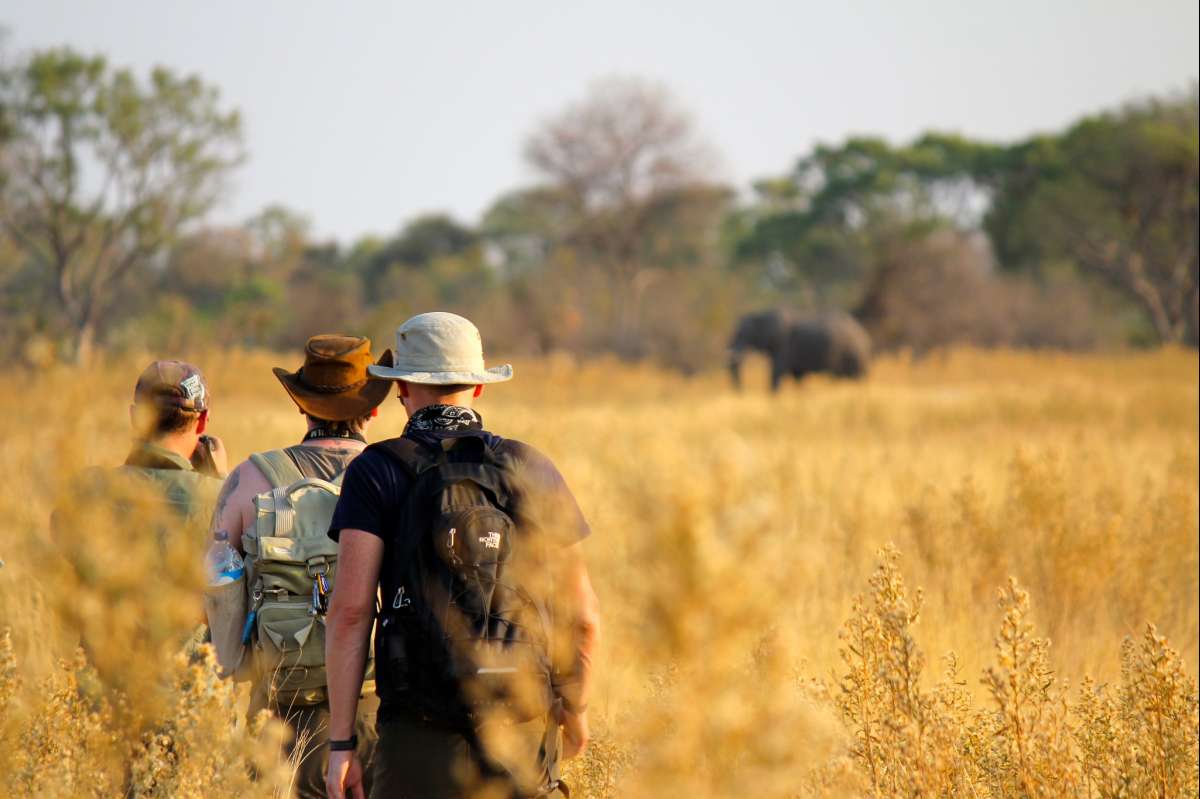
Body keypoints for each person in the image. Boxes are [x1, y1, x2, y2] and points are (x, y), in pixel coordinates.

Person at [324, 312, 601, 799]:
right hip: (521, 723)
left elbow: (349, 613)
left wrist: (343, 744)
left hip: (416, 729)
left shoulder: (376, 471)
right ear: (478, 389)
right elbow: (583, 616)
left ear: (402, 389)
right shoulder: (530, 466)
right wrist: (574, 708)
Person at [209, 335, 391, 799]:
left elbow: (214, 596)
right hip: (376, 709)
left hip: (276, 715)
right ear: (371, 410)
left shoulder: (248, 479)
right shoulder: (393, 475)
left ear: (301, 407)